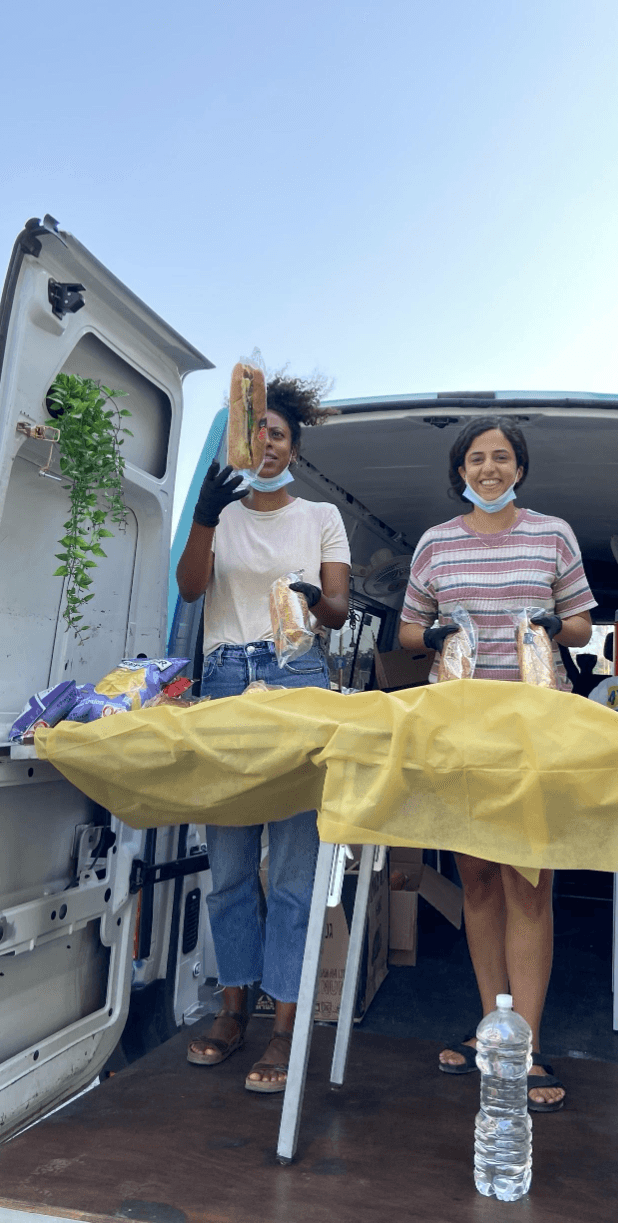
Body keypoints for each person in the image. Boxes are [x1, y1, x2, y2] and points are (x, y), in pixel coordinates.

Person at [398, 415, 596, 1113]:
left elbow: (580, 621)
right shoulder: (436, 544)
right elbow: (407, 628)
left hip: (534, 730)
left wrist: (551, 626)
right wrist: (432, 634)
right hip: (460, 732)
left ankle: (527, 1047)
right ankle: (494, 1033)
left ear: (519, 468)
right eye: (476, 458)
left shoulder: (553, 534)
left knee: (530, 885)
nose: (489, 468)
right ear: (460, 471)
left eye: (501, 457)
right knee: (478, 882)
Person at [175, 373, 350, 1093]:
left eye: (280, 434)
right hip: (223, 679)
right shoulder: (219, 512)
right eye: (259, 433)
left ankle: (284, 1026)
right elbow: (190, 589)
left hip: (297, 674)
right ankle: (231, 1007)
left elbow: (337, 608)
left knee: (294, 871)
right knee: (229, 863)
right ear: (243, 442)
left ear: (294, 448)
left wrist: (314, 599)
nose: (268, 444)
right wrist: (206, 518)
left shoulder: (320, 516)